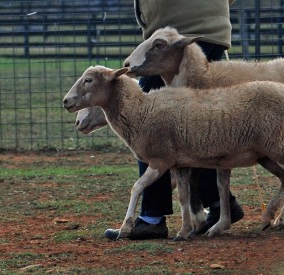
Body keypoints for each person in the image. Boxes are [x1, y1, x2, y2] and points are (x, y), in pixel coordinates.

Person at [104, 0, 243, 240]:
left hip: (172, 39)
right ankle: (219, 203)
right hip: (212, 32)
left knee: (147, 121)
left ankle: (152, 218)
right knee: (202, 126)